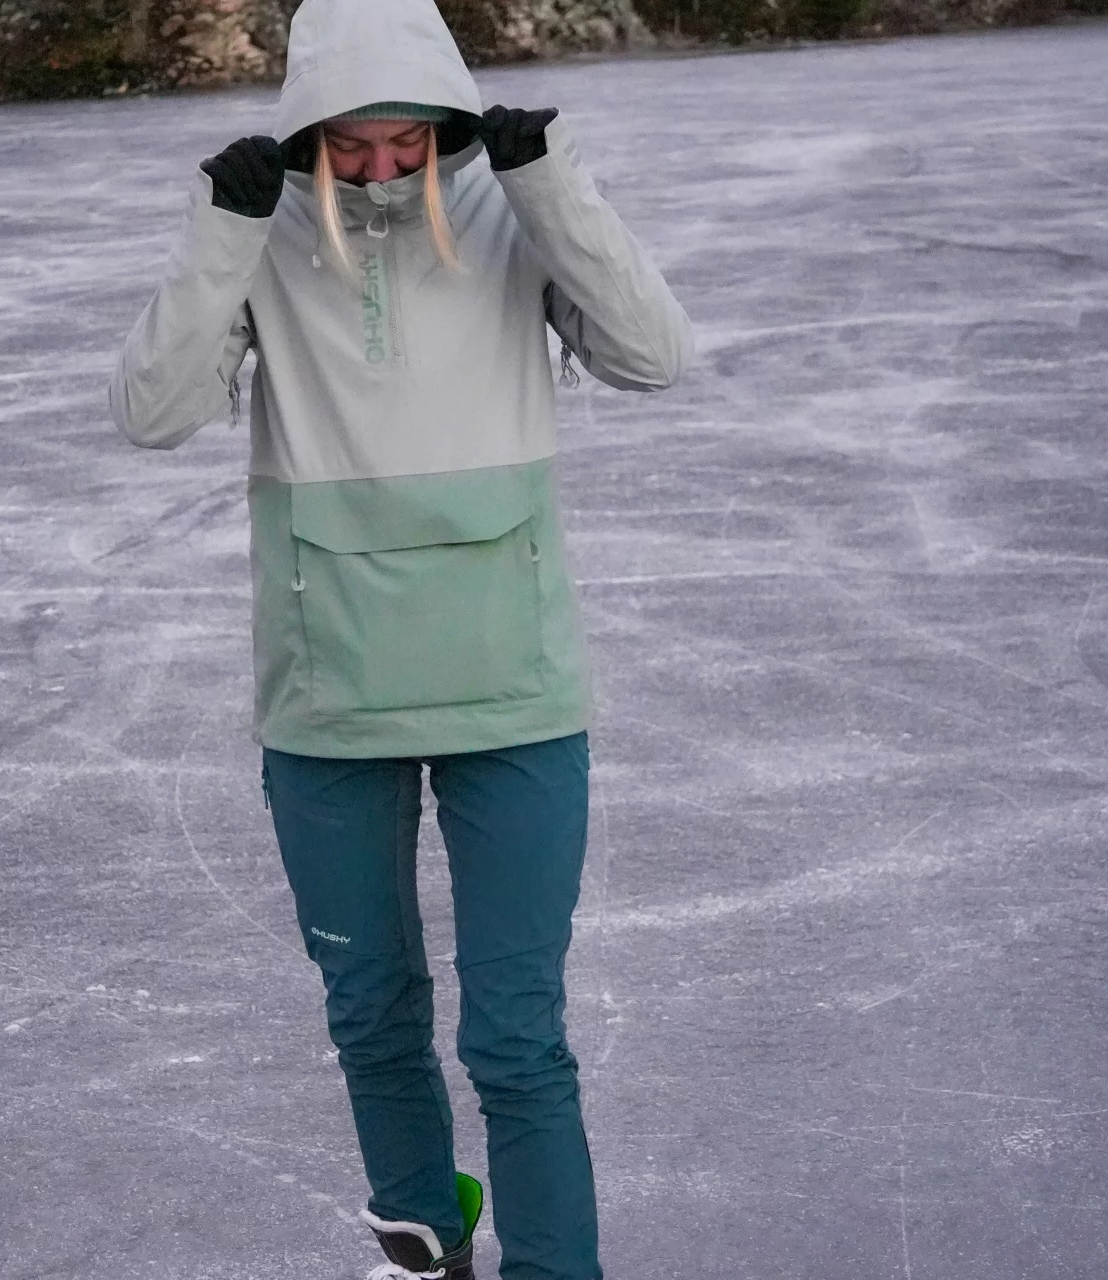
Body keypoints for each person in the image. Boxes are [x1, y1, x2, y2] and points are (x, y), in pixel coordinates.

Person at [108, 1, 691, 1276]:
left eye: (406, 140)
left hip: (513, 691)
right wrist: (220, 233)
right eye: (349, 143)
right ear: (305, 129)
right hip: (328, 694)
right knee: (370, 1013)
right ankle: (427, 1247)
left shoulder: (511, 211)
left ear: (444, 117)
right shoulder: (266, 230)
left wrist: (552, 187)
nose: (379, 166)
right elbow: (153, 413)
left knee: (517, 1035)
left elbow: (653, 355)